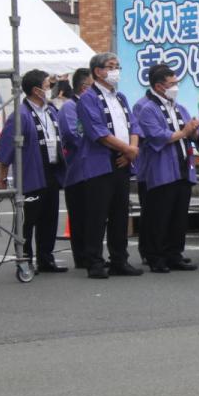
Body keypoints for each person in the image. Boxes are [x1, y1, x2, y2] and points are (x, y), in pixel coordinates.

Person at [77, 52, 144, 278]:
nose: (116, 71)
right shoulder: (88, 98)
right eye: (111, 66)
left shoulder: (121, 97)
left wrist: (131, 150)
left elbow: (133, 125)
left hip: (123, 161)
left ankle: (119, 259)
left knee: (119, 213)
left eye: (118, 66)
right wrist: (127, 149)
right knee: (97, 214)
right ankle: (94, 261)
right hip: (100, 163)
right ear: (98, 71)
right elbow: (99, 132)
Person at [0, 69, 66, 273]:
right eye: (47, 84)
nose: (50, 88)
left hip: (51, 171)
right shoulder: (21, 115)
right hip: (31, 174)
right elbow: (6, 147)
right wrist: (2, 178)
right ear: (36, 90)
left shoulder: (51, 111)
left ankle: (46, 258)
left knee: (49, 218)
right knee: (27, 221)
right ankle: (24, 259)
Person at [133, 64, 199, 273]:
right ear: (159, 86)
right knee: (159, 215)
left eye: (176, 82)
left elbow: (192, 134)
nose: (176, 87)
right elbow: (157, 137)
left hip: (183, 164)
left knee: (179, 215)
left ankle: (175, 253)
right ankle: (156, 256)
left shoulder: (179, 107)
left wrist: (195, 132)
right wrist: (185, 131)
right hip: (161, 168)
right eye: (172, 83)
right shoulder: (147, 109)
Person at [58, 67, 92, 268]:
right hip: (78, 168)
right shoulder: (70, 107)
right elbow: (72, 135)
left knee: (92, 215)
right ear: (84, 86)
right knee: (80, 215)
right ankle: (82, 257)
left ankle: (91, 253)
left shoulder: (92, 104)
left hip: (95, 167)